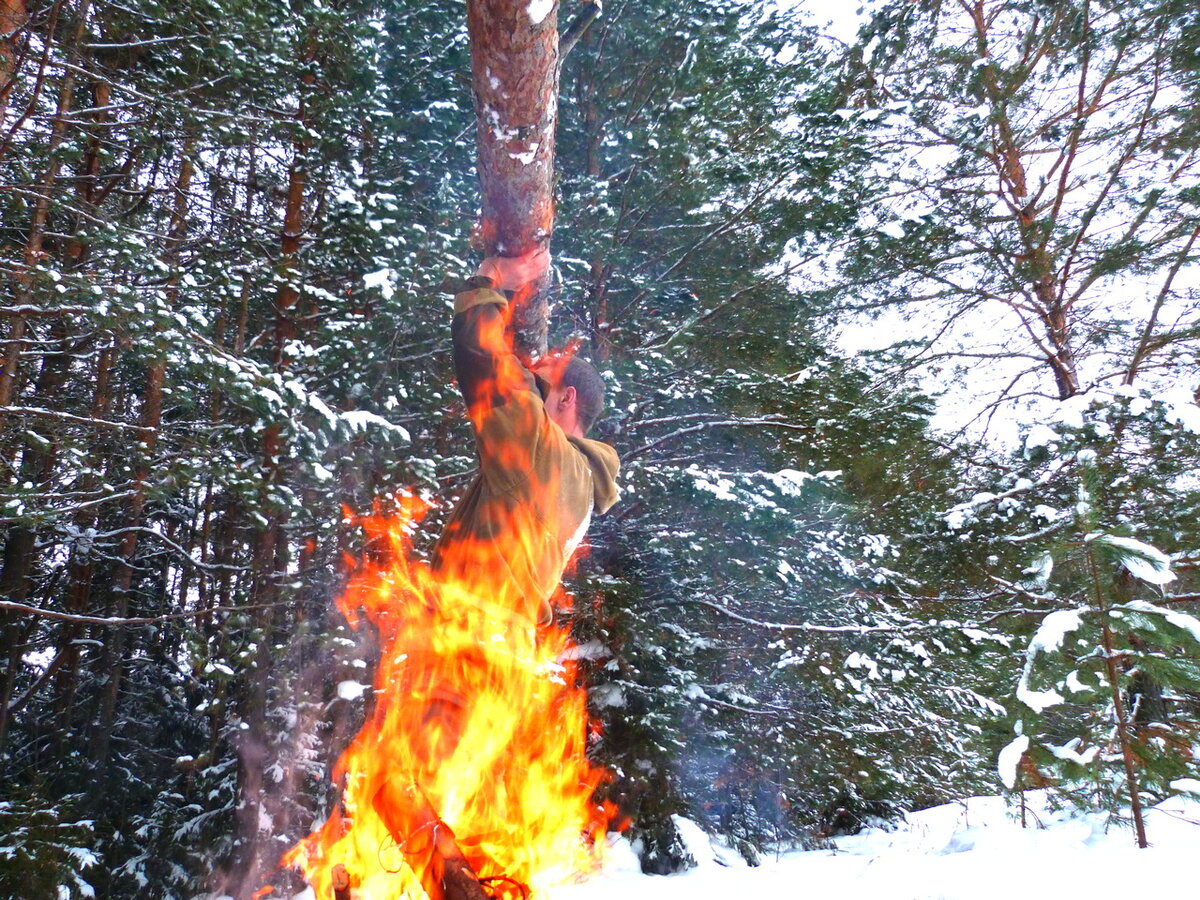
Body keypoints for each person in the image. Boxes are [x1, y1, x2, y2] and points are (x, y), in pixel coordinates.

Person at [430, 248, 620, 626]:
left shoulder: (545, 452)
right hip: (497, 641)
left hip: (473, 634)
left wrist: (489, 281)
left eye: (540, 380)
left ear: (567, 398)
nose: (530, 382)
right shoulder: (581, 476)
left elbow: (488, 365)